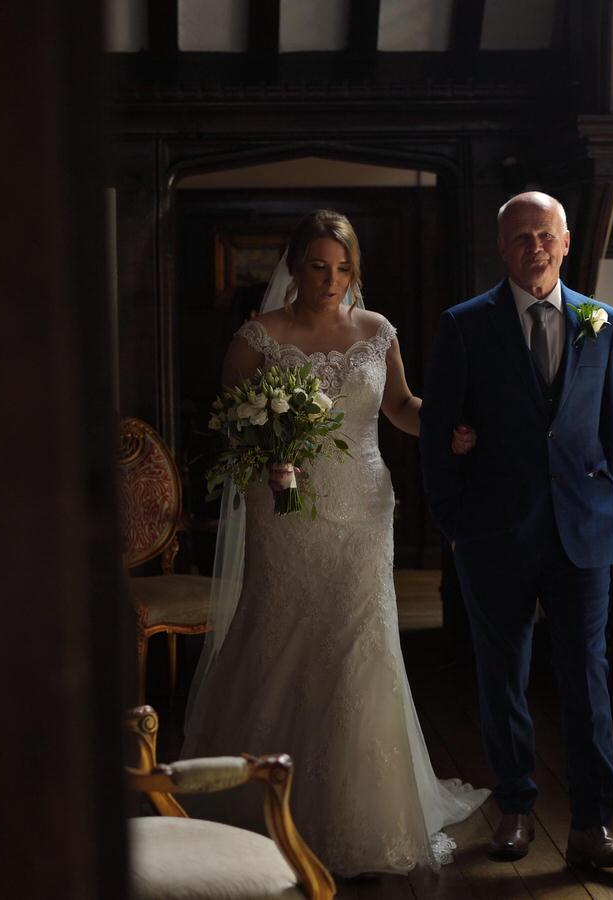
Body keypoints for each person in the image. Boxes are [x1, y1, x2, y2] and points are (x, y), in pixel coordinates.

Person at [180, 209, 488, 877]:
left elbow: (402, 406)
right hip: (286, 508)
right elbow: (232, 425)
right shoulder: (259, 338)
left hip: (365, 507)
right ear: (293, 266)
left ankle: (361, 818)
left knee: (359, 647)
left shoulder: (377, 332)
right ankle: (261, 810)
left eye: (343, 267)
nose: (331, 278)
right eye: (318, 265)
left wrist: (449, 424)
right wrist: (270, 456)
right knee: (282, 633)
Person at [420, 191, 613, 870]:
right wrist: (456, 526)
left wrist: (612, 527)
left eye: (545, 236)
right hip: (493, 533)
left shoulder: (602, 322)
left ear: (566, 242)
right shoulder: (465, 325)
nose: (535, 248)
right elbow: (437, 435)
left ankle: (591, 826)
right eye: (521, 238)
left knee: (587, 678)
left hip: (583, 534)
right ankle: (515, 809)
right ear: (502, 247)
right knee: (503, 677)